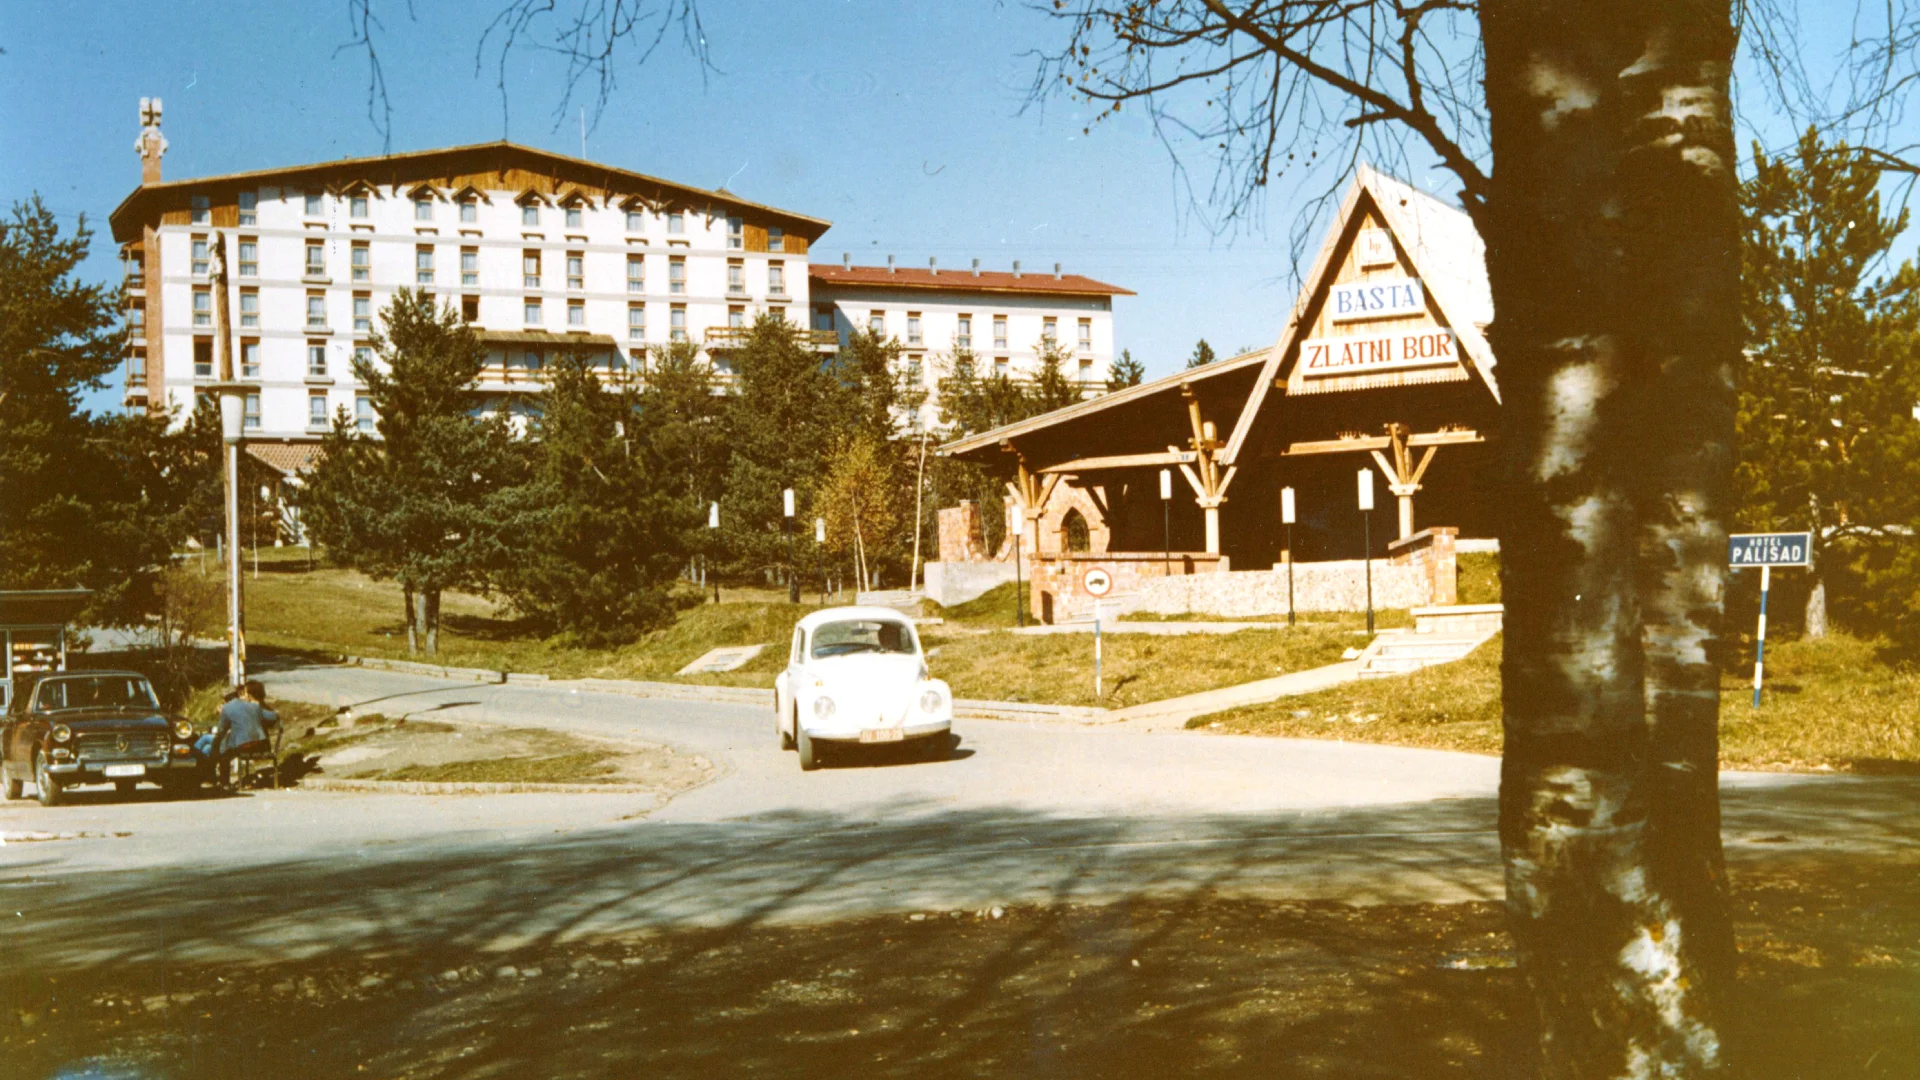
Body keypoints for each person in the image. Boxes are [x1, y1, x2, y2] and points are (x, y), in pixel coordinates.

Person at [194, 681, 279, 787]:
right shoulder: (255, 706)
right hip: (260, 744)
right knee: (213, 746)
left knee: (222, 750)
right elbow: (273, 716)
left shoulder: (228, 708)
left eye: (246, 693)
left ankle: (220, 780)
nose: (245, 696)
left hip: (244, 746)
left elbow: (221, 730)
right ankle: (210, 775)